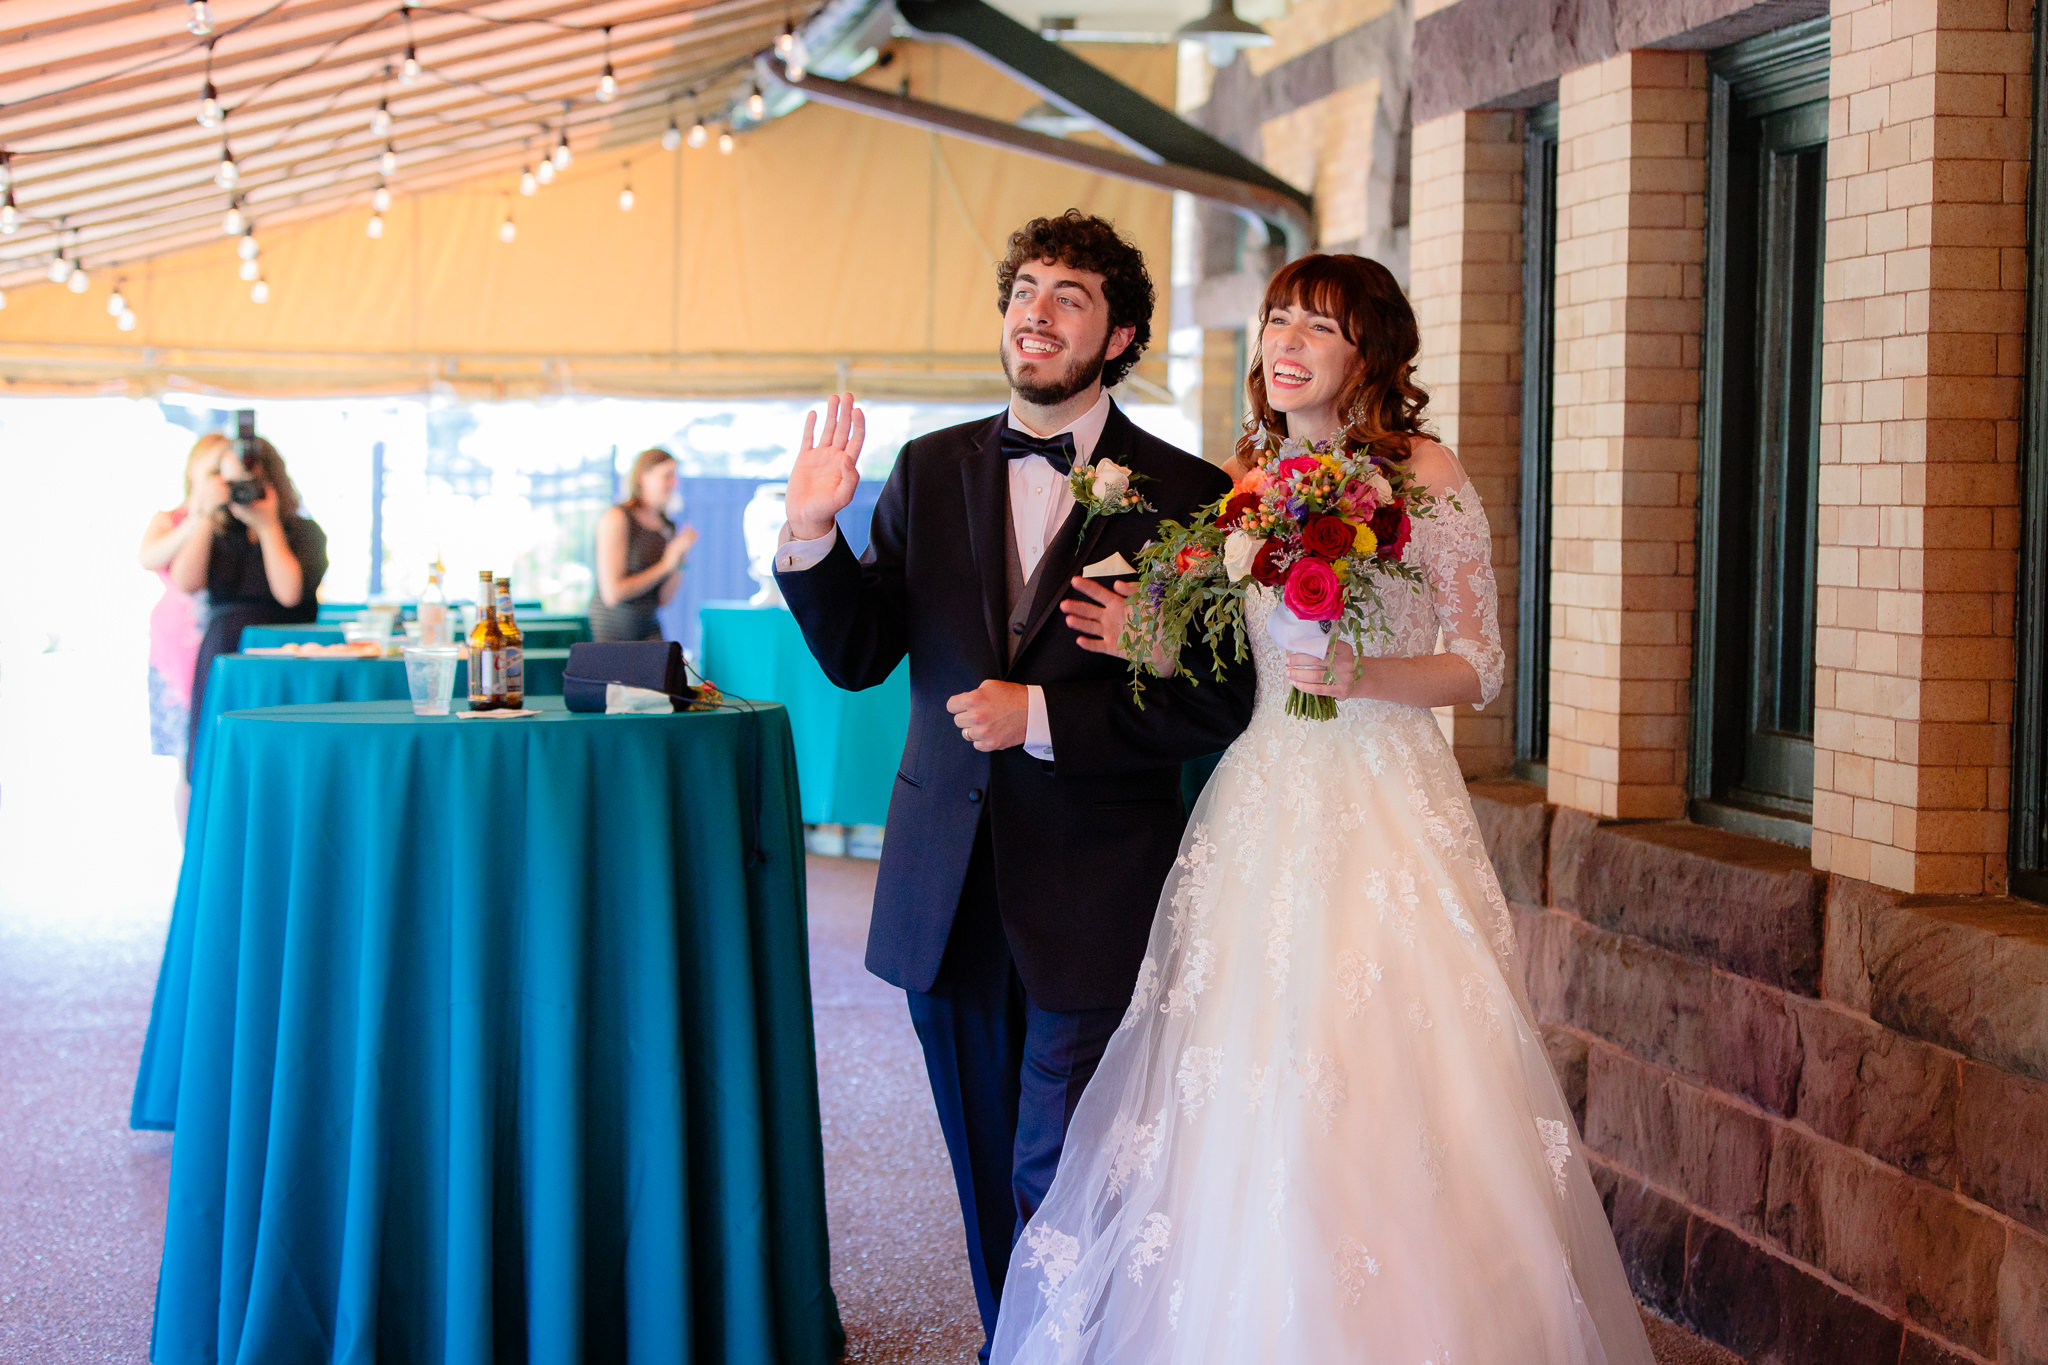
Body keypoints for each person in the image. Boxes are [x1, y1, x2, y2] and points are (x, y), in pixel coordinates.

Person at [991, 255, 1657, 1364]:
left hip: (1383, 797)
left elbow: (1479, 664)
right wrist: (1148, 639)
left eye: (1317, 324)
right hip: (1262, 799)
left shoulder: (1421, 471)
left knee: (1374, 1063)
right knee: (1247, 1069)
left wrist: (1362, 677)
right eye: (1277, 319)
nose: (1286, 341)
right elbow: (1231, 667)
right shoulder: (1240, 478)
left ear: (1367, 354)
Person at [774, 211, 1257, 1363]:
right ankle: (1021, 1344)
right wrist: (808, 531)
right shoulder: (927, 467)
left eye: (1068, 295)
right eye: (1022, 290)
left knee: (1060, 1158)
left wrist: (1041, 714)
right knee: (986, 1165)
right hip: (945, 884)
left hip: (1093, 884)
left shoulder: (1188, 494)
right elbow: (858, 652)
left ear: (1121, 332)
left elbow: (1215, 703)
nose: (1033, 313)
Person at [167, 433, 327, 776]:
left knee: (279, 764)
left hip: (286, 656)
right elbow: (186, 582)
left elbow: (290, 594)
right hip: (224, 656)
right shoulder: (217, 533)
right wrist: (206, 515)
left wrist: (268, 527)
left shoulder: (305, 533)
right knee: (214, 762)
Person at [137, 433, 228, 831]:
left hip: (219, 638)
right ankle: (189, 849)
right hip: (176, 643)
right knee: (186, 756)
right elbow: (149, 557)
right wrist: (197, 517)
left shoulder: (237, 523)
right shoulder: (169, 519)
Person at [591, 446, 698, 642]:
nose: (673, 484)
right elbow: (613, 593)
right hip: (612, 634)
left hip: (648, 629)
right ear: (643, 477)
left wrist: (680, 559)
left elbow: (663, 599)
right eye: (666, 476)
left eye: (674, 476)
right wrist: (666, 564)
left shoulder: (667, 527)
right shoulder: (617, 518)